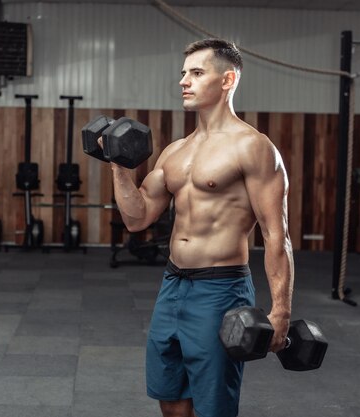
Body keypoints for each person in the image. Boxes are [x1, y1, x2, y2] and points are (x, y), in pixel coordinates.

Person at [103, 38, 294, 417]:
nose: (183, 82)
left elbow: (277, 234)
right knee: (170, 394)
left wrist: (281, 311)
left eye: (196, 72)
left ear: (227, 80)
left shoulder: (253, 147)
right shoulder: (177, 151)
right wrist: (118, 167)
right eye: (183, 74)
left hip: (220, 289)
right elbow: (137, 218)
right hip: (173, 286)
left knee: (212, 403)